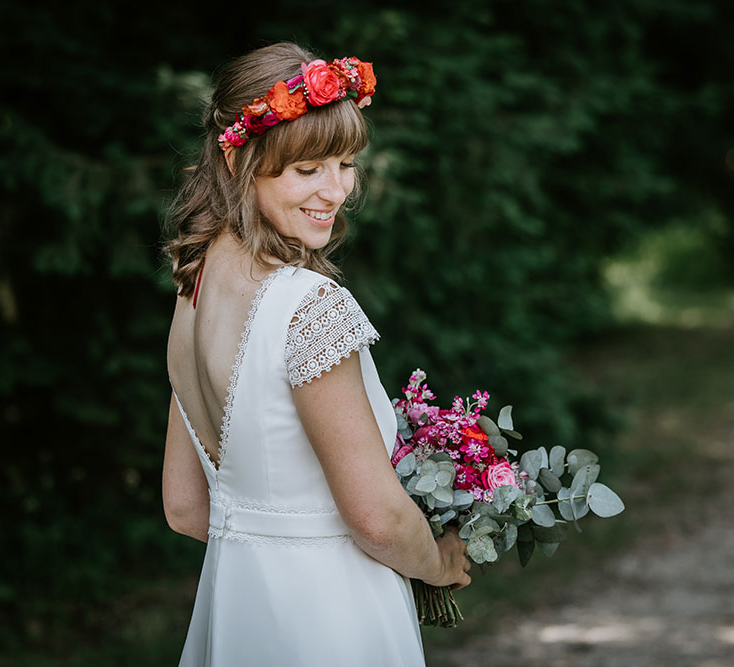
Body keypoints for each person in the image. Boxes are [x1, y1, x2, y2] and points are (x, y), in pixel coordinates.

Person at [161, 42, 470, 666]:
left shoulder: (192, 288)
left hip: (239, 612)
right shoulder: (309, 307)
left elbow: (186, 506)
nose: (337, 191)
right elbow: (377, 519)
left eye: (347, 163)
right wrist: (437, 561)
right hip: (330, 619)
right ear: (241, 163)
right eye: (308, 170)